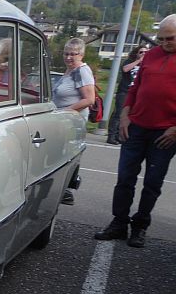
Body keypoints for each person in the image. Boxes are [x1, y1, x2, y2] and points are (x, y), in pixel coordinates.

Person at [94, 14, 176, 248]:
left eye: (169, 38)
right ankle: (119, 223)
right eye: (160, 39)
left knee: (152, 182)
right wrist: (124, 115)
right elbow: (134, 87)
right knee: (125, 178)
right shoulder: (150, 55)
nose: (164, 43)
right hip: (136, 128)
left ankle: (140, 226)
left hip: (165, 134)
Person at [52, 38, 96, 206]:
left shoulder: (81, 71)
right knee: (59, 153)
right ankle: (62, 188)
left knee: (65, 155)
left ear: (81, 54)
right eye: (66, 53)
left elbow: (89, 99)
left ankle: (65, 190)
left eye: (73, 54)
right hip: (62, 120)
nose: (69, 57)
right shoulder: (70, 71)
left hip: (71, 121)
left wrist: (65, 111)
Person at [106, 44, 149, 144]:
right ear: (136, 53)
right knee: (119, 113)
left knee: (130, 115)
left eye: (146, 52)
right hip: (125, 91)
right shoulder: (129, 61)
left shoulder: (147, 64)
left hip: (137, 93)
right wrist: (138, 61)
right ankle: (111, 136)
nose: (143, 54)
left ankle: (120, 136)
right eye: (141, 52)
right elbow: (125, 69)